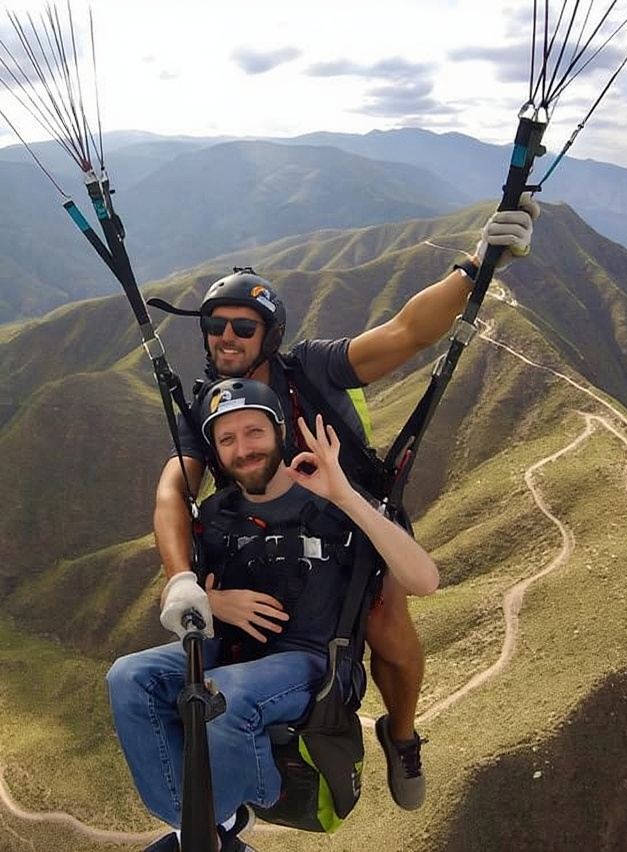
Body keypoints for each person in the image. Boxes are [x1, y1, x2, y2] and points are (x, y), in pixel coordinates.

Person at [152, 196, 539, 809]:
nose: (226, 337)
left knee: (385, 621)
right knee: (243, 629)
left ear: (269, 336)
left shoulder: (311, 368)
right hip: (266, 533)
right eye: (215, 326)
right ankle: (248, 764)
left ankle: (401, 733)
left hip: (352, 517)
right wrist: (185, 582)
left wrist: (475, 265)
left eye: (242, 327)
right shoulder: (210, 407)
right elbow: (175, 488)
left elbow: (405, 334)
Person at [109, 379, 438, 851]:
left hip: (312, 663)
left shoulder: (333, 504)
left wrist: (344, 494)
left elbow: (425, 580)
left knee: (225, 697)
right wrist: (213, 603)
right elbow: (184, 598)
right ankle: (200, 828)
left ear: (280, 433)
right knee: (128, 677)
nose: (243, 449)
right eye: (227, 439)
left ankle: (227, 815)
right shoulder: (217, 516)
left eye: (253, 432)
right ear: (216, 454)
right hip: (236, 653)